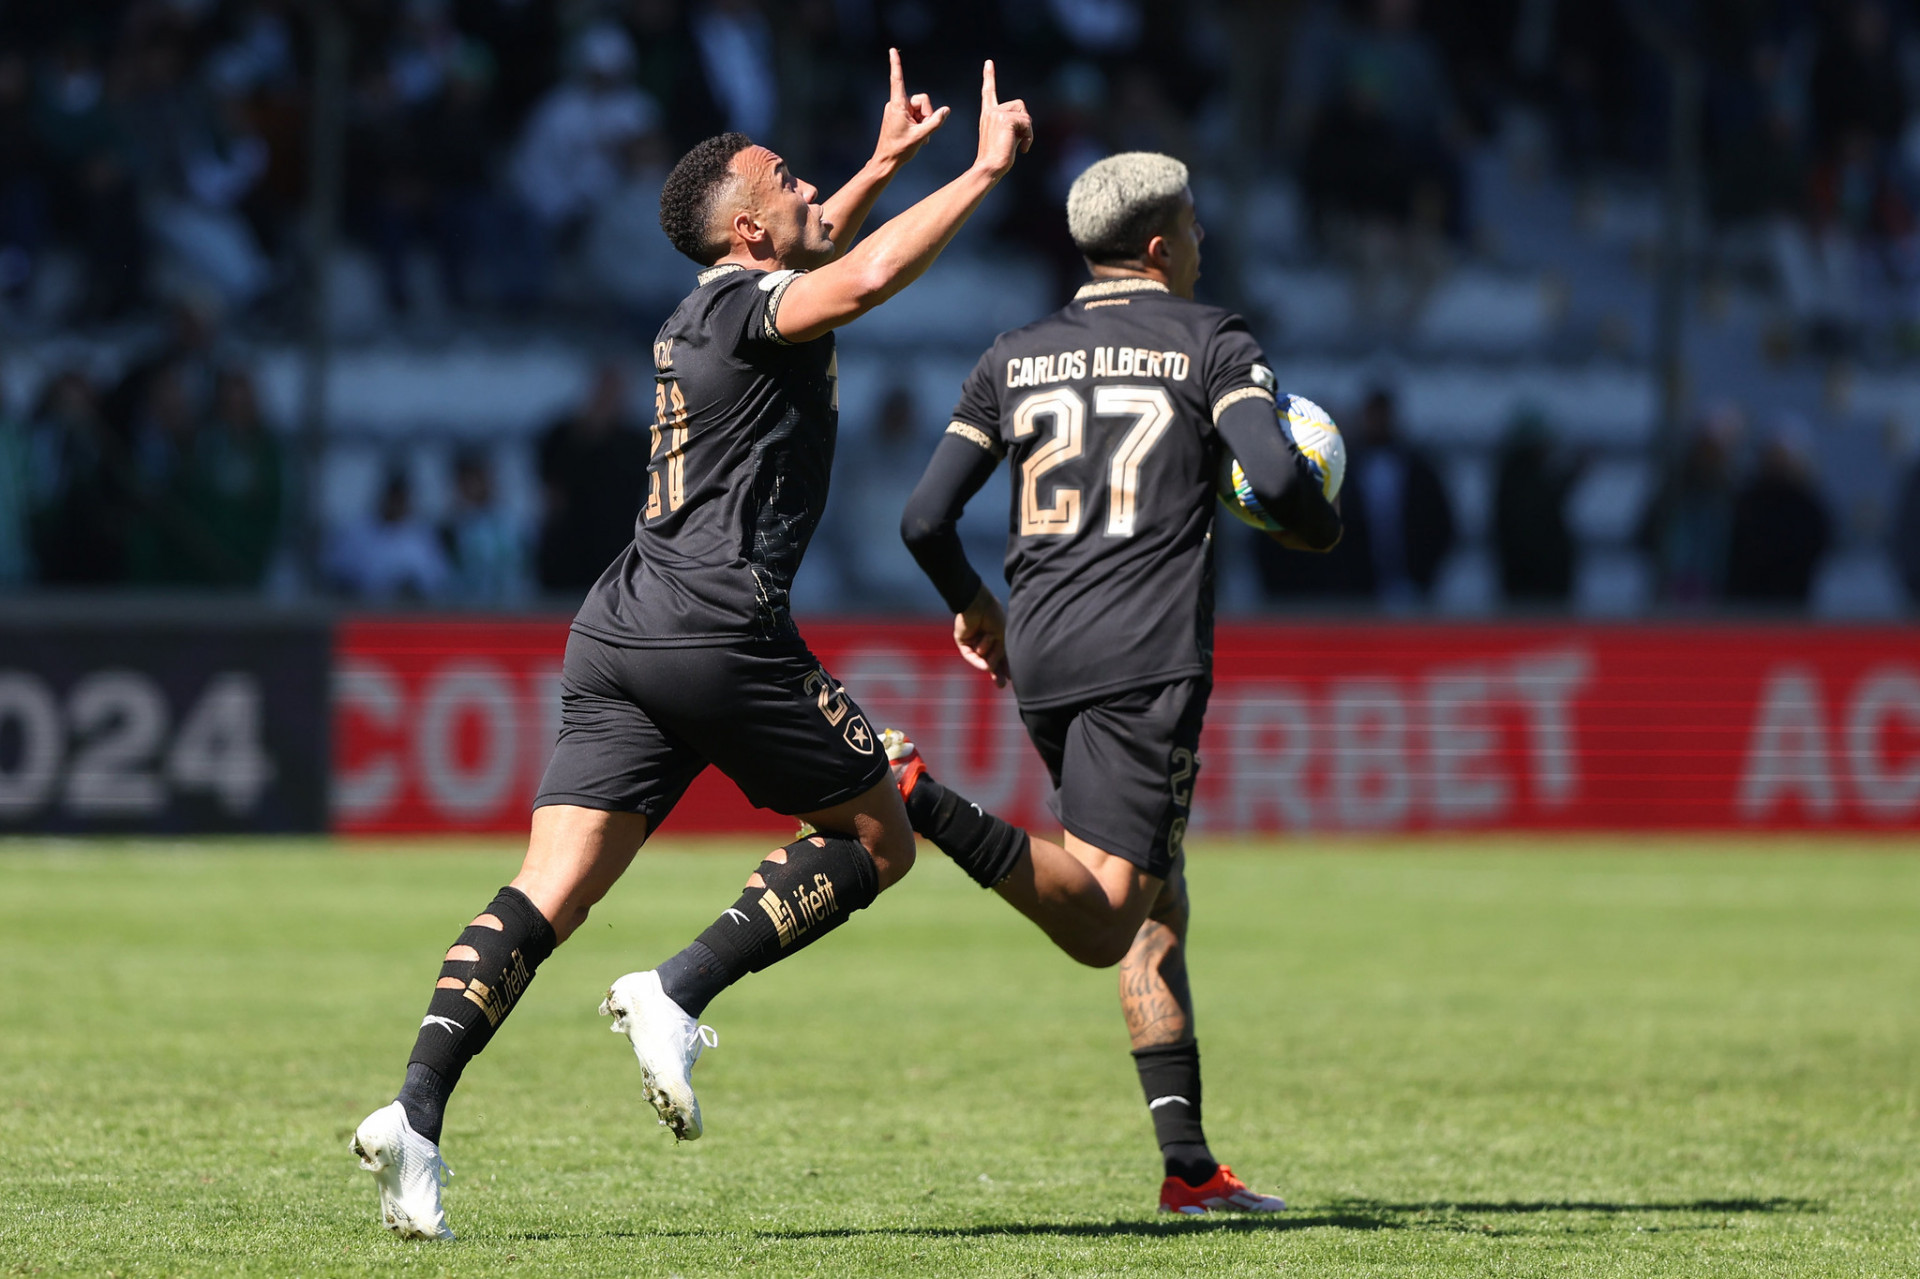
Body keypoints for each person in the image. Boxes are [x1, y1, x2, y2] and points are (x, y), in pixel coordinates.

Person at [350, 51, 1033, 1241]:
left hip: (622, 626)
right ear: (754, 227)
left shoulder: (706, 309)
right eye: (788, 174)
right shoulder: (751, 306)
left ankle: (414, 1114)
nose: (808, 176)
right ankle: (675, 989)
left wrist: (878, 162)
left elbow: (827, 251)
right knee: (879, 835)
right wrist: (979, 173)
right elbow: (862, 276)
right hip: (719, 626)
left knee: (545, 890)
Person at [889, 151, 1340, 1214]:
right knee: (1102, 919)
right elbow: (1276, 476)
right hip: (1145, 657)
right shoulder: (1211, 339)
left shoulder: (1016, 354)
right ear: (1157, 247)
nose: (1200, 243)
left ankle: (1189, 1168)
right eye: (1191, 226)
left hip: (1042, 652)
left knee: (1155, 891)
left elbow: (922, 518)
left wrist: (975, 604)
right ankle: (916, 795)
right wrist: (1317, 526)